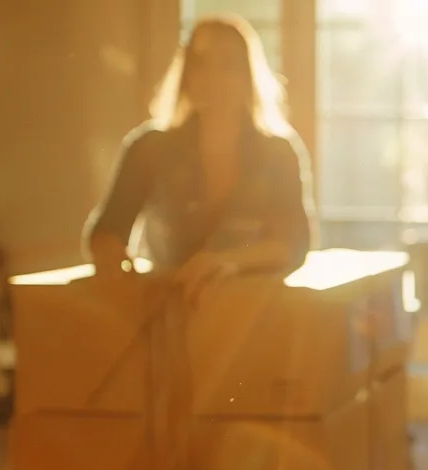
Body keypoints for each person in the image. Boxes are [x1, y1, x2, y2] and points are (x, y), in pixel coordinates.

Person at [82, 14, 314, 299]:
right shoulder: (149, 148)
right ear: (186, 74)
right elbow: (107, 230)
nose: (213, 78)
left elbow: (294, 244)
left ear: (247, 75)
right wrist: (110, 254)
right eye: (201, 63)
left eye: (228, 65)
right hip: (166, 312)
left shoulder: (278, 153)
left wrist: (227, 262)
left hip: (251, 313)